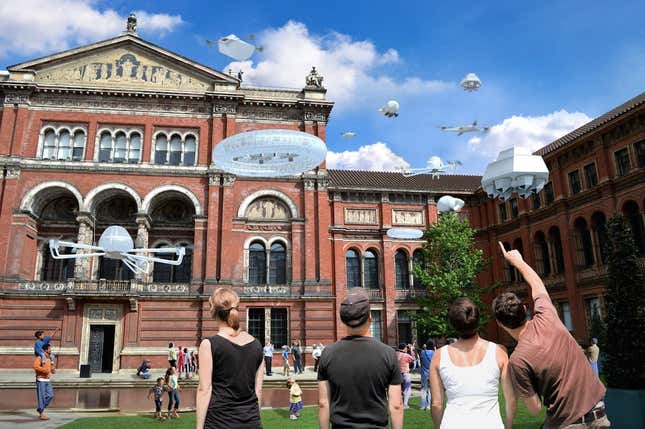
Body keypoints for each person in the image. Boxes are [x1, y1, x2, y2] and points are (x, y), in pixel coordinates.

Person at [494, 242, 610, 428]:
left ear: (500, 324)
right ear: (525, 309)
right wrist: (518, 261)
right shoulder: (547, 316)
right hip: (599, 416)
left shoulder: (518, 360)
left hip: (567, 424)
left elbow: (534, 408)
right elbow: (537, 285)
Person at [317, 288, 403, 429]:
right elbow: (396, 405)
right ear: (370, 317)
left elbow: (323, 403)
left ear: (343, 320)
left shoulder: (328, 353)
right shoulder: (388, 354)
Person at [430, 297, 516, 429]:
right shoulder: (499, 352)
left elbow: (437, 403)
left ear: (453, 324)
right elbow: (510, 399)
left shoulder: (439, 355)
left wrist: (438, 426)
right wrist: (508, 426)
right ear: (478, 321)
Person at [195, 287, 264, 429]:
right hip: (252, 422)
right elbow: (258, 391)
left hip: (219, 422)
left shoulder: (209, 345)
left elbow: (204, 390)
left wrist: (199, 427)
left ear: (213, 310)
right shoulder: (257, 345)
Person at [33, 343, 55, 420]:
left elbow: (52, 368)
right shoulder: (39, 358)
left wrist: (53, 370)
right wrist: (44, 370)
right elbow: (35, 366)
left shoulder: (50, 358)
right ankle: (41, 413)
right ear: (46, 350)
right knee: (41, 397)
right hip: (41, 379)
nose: (51, 350)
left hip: (48, 380)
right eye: (49, 348)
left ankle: (40, 408)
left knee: (50, 395)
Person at [397, 343, 415, 409]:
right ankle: (405, 404)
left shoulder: (395, 354)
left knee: (400, 390)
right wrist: (412, 351)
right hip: (405, 374)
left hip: (397, 374)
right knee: (407, 390)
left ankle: (400, 403)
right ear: (404, 348)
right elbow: (413, 359)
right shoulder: (406, 355)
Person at [419, 339, 435, 410]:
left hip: (424, 373)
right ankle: (428, 405)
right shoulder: (434, 353)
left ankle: (423, 405)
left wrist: (424, 348)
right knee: (429, 389)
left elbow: (421, 360)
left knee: (423, 389)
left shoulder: (422, 352)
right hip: (431, 373)